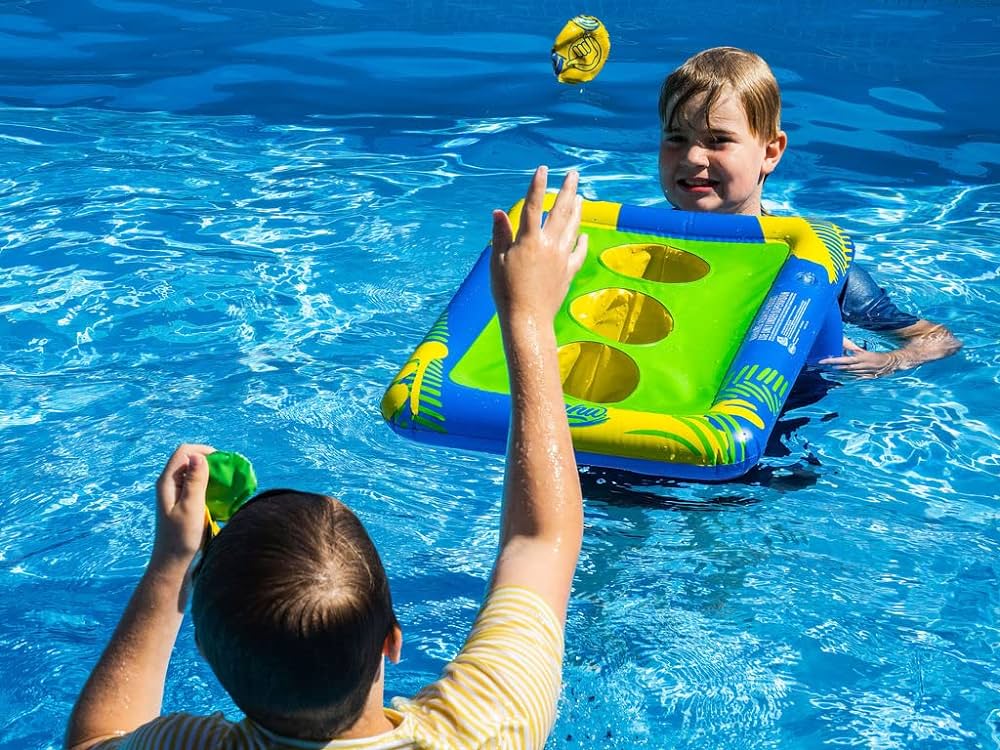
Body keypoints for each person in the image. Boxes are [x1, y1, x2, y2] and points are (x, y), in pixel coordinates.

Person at [65, 166, 589, 750]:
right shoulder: (486, 731)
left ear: (208, 658)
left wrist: (170, 567)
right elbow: (541, 539)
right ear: (393, 640)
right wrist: (527, 316)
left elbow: (94, 740)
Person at [657, 46, 961, 377]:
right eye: (676, 138)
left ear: (770, 153)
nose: (692, 158)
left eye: (717, 140)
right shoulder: (640, 245)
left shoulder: (808, 262)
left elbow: (938, 339)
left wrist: (889, 361)